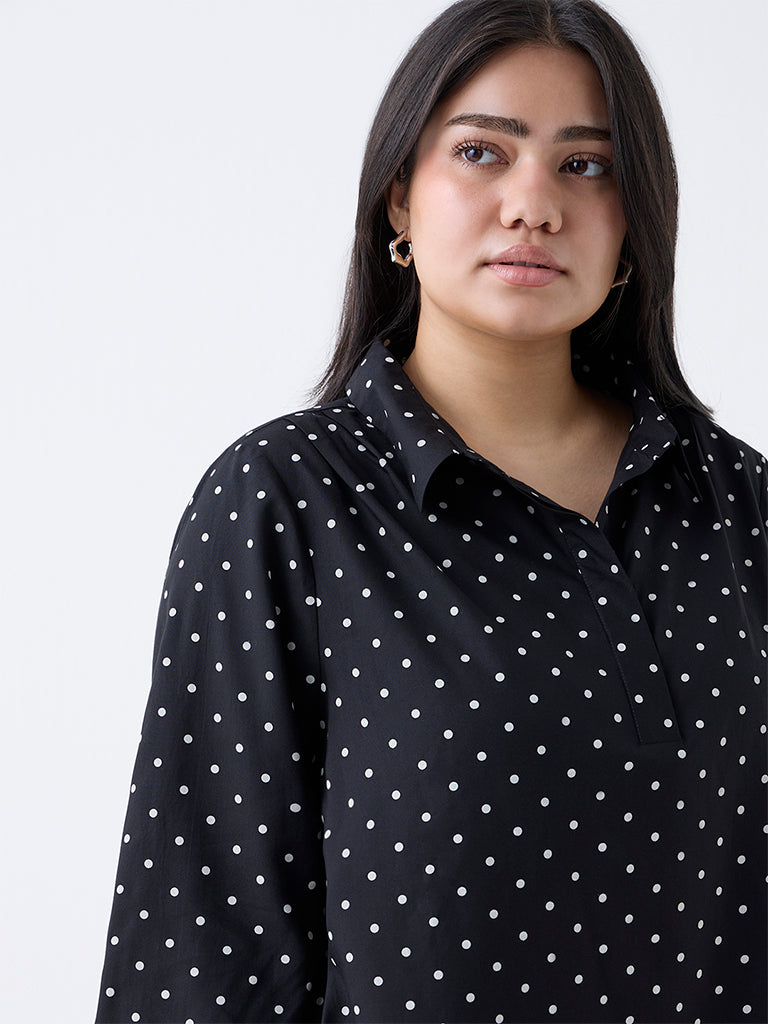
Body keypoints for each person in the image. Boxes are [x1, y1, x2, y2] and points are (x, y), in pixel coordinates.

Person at [95, 0, 768, 1021]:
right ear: (400, 199)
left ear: (636, 220)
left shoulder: (737, 504)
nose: (534, 205)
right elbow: (202, 943)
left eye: (586, 165)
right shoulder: (285, 500)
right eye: (483, 152)